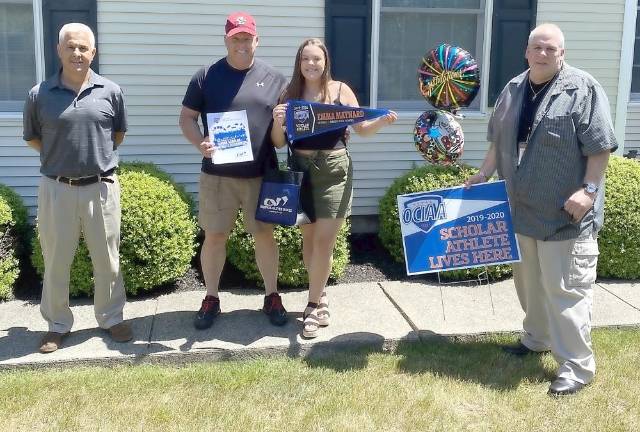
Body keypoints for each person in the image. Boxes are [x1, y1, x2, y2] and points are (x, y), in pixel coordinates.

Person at [465, 23, 617, 396]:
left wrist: (589, 191)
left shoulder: (583, 89)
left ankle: (577, 367)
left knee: (566, 290)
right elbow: (498, 140)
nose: (544, 53)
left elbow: (599, 147)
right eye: (538, 47)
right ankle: (536, 339)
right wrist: (483, 174)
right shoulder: (514, 88)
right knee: (529, 285)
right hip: (521, 210)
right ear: (527, 51)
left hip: (565, 215)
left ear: (562, 53)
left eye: (552, 49)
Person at [271, 38, 397, 338]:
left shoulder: (341, 91)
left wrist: (381, 120)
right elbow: (277, 142)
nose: (311, 64)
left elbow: (362, 129)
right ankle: (321, 292)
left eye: (317, 59)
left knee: (325, 240)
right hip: (301, 171)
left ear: (325, 62)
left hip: (334, 171)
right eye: (306, 59)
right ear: (299, 63)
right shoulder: (289, 94)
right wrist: (278, 121)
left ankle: (312, 305)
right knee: (310, 240)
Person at [23, 23, 132, 353]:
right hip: (57, 189)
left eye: (84, 48)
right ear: (59, 50)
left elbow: (118, 134)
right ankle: (57, 325)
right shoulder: (39, 94)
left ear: (93, 52)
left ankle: (111, 318)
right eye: (71, 47)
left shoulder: (110, 91)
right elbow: (33, 138)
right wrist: (63, 160)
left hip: (100, 188)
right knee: (56, 260)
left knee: (107, 260)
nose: (77, 53)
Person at [179, 12, 289, 330]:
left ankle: (271, 295)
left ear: (257, 39)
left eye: (246, 38)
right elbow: (186, 117)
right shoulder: (206, 76)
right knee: (214, 235)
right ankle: (211, 297)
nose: (241, 43)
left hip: (260, 174)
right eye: (235, 38)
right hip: (217, 176)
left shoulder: (276, 80)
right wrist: (200, 142)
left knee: (265, 235)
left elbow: (283, 134)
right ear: (226, 40)